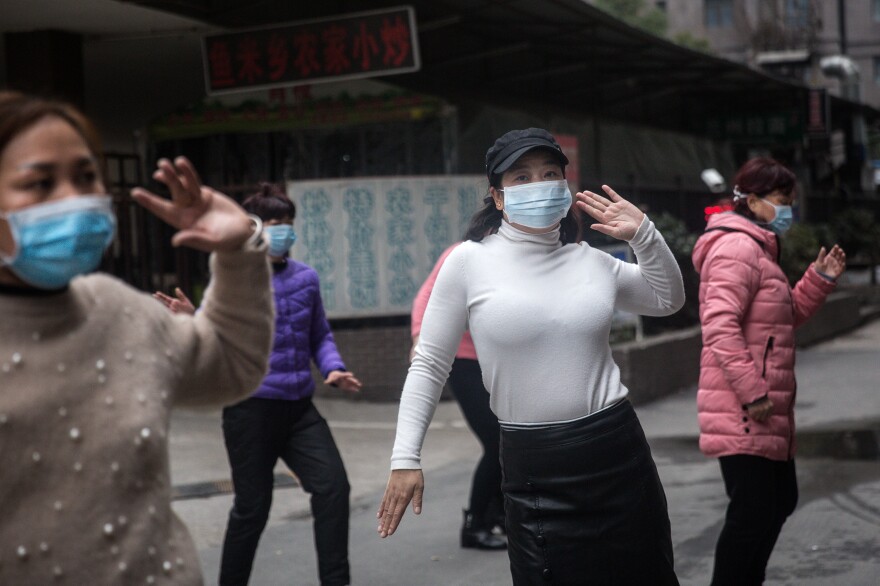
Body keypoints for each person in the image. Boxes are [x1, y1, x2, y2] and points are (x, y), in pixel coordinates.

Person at [377, 128, 685, 585]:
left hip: (617, 455)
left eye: (549, 174)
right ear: (498, 197)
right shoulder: (467, 261)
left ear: (565, 185)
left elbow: (668, 299)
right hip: (534, 468)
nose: (538, 185)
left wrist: (645, 235)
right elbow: (429, 364)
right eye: (521, 177)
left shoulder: (591, 261)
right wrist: (405, 457)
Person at [0, 91, 274, 585]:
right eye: (40, 183)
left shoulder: (119, 310)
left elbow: (232, 364)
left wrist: (237, 251)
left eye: (86, 177)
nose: (74, 198)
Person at [155, 183, 361, 586]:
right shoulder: (233, 282)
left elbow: (319, 334)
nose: (281, 230)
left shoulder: (306, 278)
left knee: (334, 488)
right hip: (250, 408)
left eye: (286, 223)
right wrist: (192, 316)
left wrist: (333, 368)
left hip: (300, 408)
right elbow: (216, 333)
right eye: (271, 223)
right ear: (250, 228)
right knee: (253, 508)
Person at [691, 157, 846, 586]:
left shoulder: (758, 247)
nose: (788, 210)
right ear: (753, 200)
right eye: (782, 200)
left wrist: (818, 278)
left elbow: (780, 318)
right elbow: (719, 326)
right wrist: (753, 393)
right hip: (746, 407)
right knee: (753, 513)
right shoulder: (736, 248)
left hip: (768, 405)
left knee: (778, 503)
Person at [411, 243, 506, 551]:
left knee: (510, 439)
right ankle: (475, 524)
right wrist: (418, 339)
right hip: (463, 359)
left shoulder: (526, 253)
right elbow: (426, 297)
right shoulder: (463, 253)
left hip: (500, 360)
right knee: (497, 442)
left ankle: (501, 515)